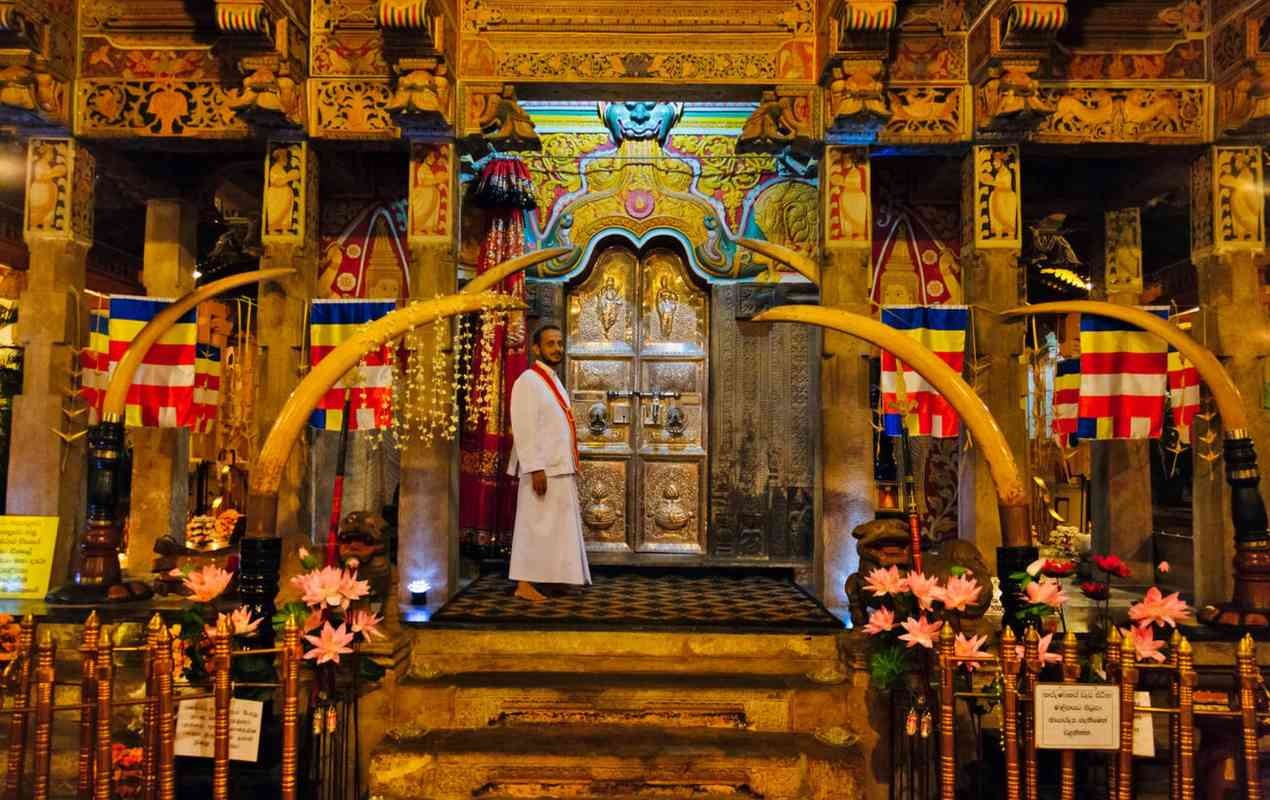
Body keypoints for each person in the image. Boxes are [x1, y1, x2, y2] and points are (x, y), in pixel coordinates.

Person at [506, 323, 591, 602]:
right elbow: (524, 428)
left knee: (556, 530)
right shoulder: (527, 381)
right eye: (550, 344)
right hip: (542, 469)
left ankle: (554, 578)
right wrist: (534, 468)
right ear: (535, 348)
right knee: (533, 526)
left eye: (559, 343)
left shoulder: (552, 379)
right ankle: (524, 583)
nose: (557, 349)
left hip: (559, 466)